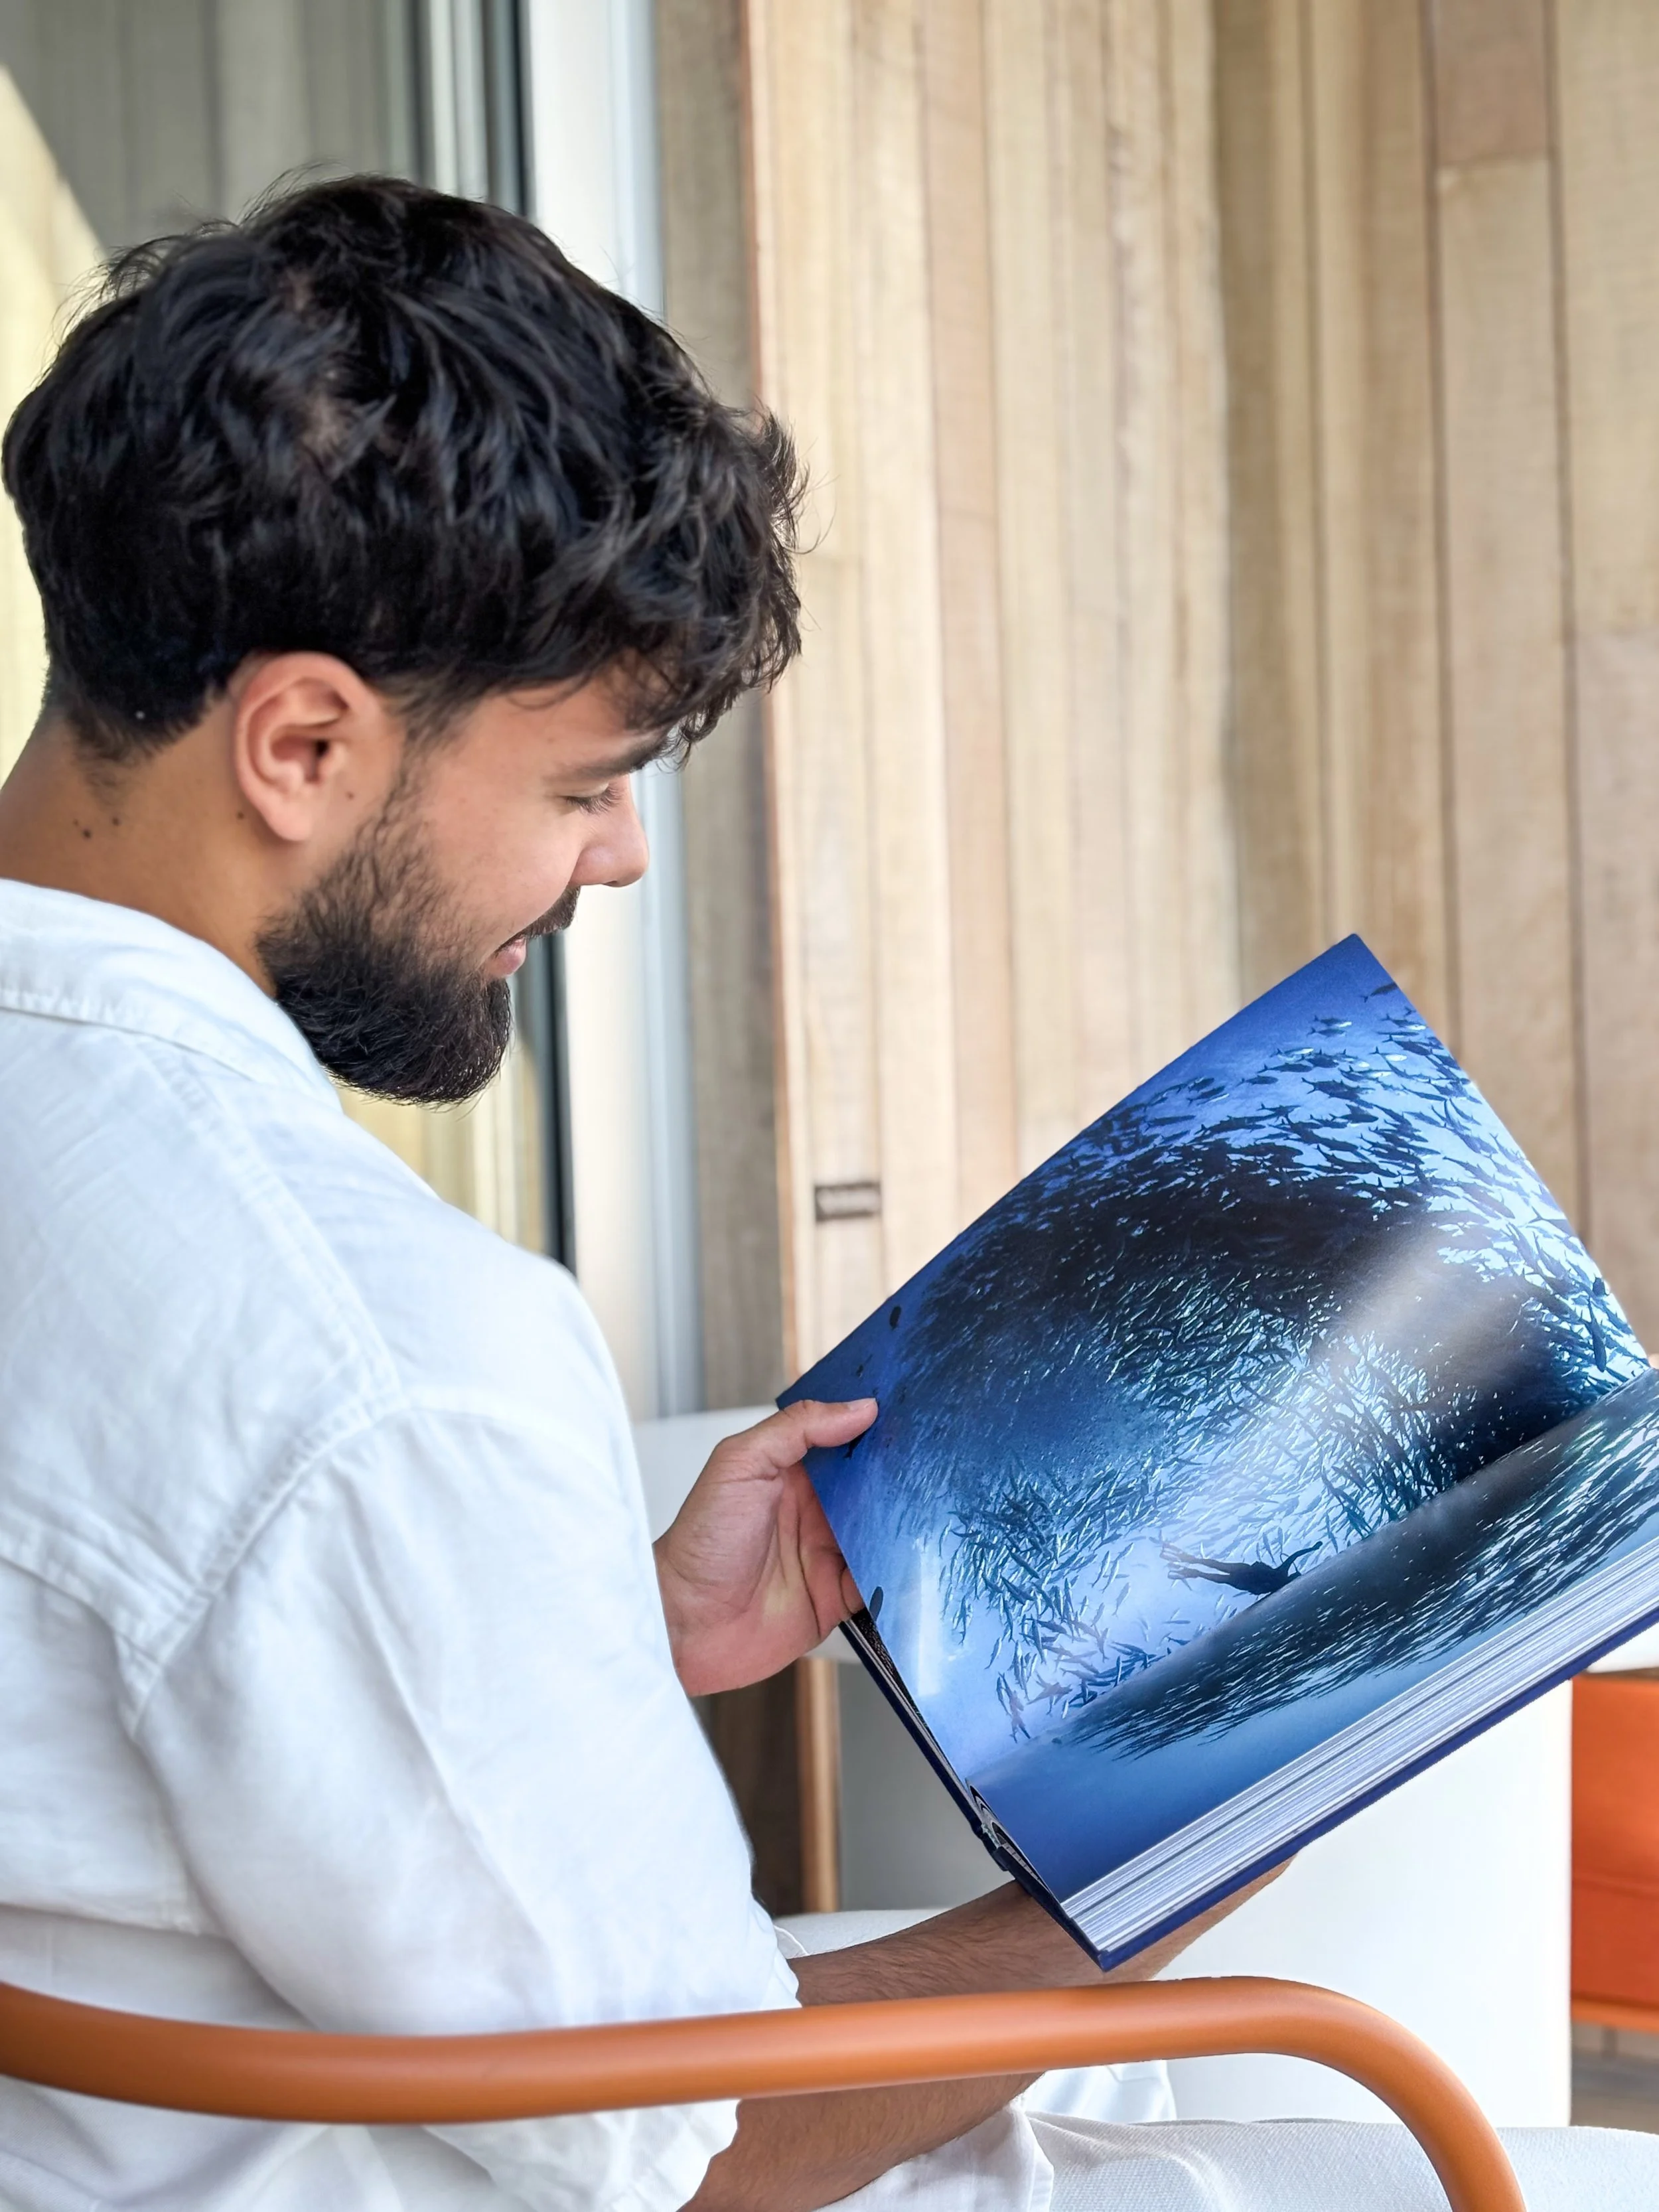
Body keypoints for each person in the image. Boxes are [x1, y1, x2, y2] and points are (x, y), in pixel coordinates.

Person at [0, 177, 1649, 2212]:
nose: (606, 864)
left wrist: (590, 1617)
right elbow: (700, 2152)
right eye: (584, 783)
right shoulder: (380, 1350)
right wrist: (1194, 1833)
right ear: (306, 740)